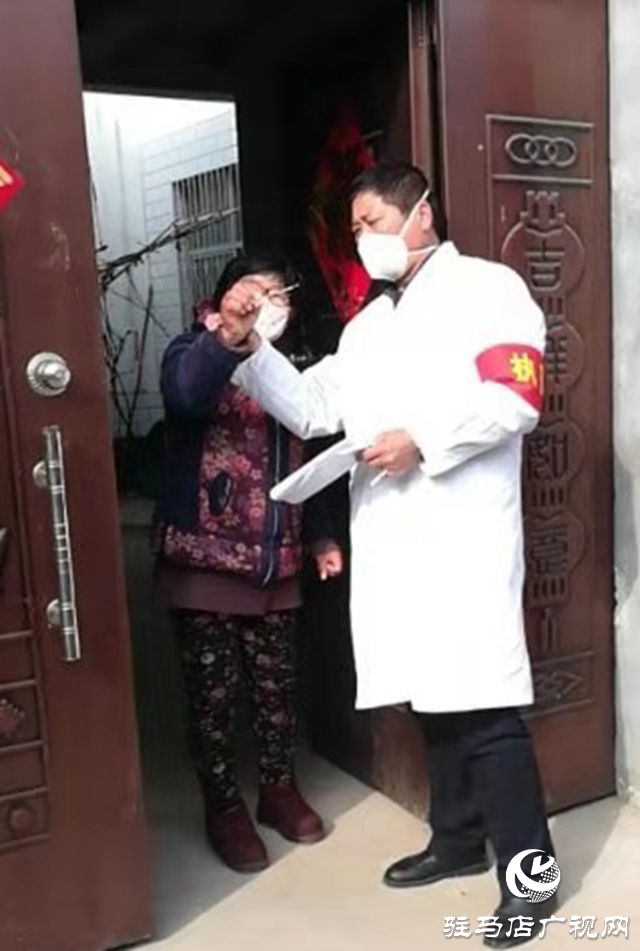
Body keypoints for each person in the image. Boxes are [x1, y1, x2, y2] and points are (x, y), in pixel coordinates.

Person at [220, 164, 557, 946]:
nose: (363, 239)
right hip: (394, 541)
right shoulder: (368, 325)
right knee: (430, 698)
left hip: (462, 534)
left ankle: (529, 878)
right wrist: (249, 348)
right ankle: (457, 838)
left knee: (484, 705)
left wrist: (423, 441)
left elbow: (515, 398)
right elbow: (314, 406)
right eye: (356, 229)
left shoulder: (491, 290)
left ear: (421, 214)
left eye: (372, 222)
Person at [153, 254, 343, 874]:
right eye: (252, 291)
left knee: (276, 688)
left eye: (277, 292)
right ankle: (224, 806)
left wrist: (321, 536)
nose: (266, 303)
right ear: (223, 298)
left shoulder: (293, 371)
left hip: (276, 560)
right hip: (202, 560)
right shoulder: (192, 349)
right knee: (212, 698)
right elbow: (185, 398)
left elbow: (316, 454)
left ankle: (278, 790)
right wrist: (226, 341)